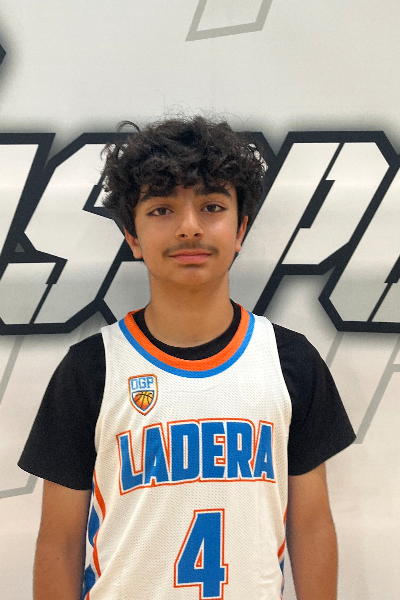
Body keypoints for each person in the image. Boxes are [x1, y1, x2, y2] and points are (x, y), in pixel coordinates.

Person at [19, 115, 355, 600]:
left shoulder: (290, 362)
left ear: (240, 230)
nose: (189, 227)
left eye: (212, 206)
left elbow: (312, 523)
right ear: (133, 236)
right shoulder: (91, 369)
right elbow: (60, 539)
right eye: (162, 209)